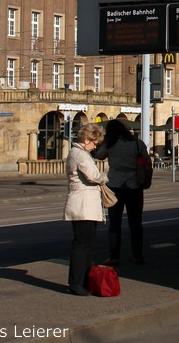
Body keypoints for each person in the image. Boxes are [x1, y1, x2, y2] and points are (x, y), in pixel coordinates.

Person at [94, 119, 146, 265]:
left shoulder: (111, 144)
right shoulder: (137, 143)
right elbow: (146, 160)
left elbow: (99, 155)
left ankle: (114, 256)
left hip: (115, 186)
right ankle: (137, 255)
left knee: (115, 224)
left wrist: (104, 143)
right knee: (135, 223)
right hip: (135, 185)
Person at [63, 123, 107, 296]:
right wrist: (106, 176)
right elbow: (94, 176)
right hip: (83, 204)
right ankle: (76, 283)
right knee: (82, 245)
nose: (96, 146)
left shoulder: (78, 153)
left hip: (84, 203)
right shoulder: (80, 155)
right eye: (94, 142)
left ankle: (82, 281)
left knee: (86, 244)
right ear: (87, 139)